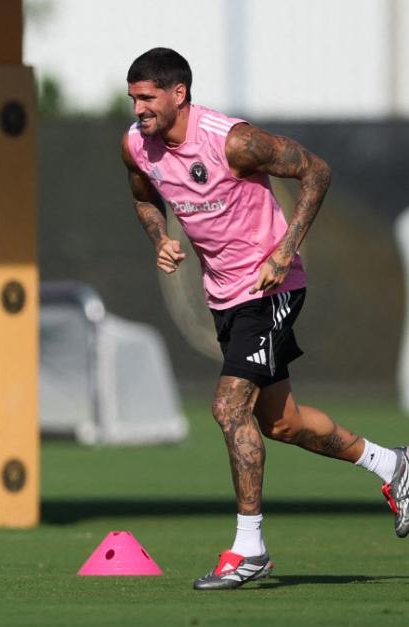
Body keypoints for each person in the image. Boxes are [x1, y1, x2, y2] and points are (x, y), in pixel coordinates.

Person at [120, 48, 408, 590]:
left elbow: (316, 171)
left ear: (179, 93)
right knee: (281, 423)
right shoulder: (137, 145)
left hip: (270, 287)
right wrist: (159, 237)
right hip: (223, 296)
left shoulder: (233, 140)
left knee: (228, 407)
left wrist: (284, 250)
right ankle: (392, 466)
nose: (137, 108)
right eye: (132, 97)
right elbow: (142, 197)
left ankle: (249, 547)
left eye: (147, 97)